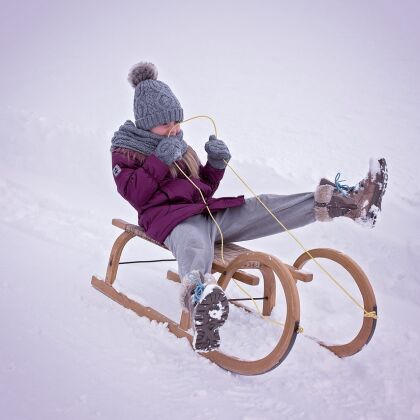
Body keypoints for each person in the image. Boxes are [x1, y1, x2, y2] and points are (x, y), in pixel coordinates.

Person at [110, 62, 388, 353]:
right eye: (166, 124)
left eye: (177, 122)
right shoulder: (126, 150)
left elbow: (199, 187)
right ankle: (202, 304)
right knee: (194, 247)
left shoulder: (177, 144)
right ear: (146, 124)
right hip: (173, 223)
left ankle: (347, 204)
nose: (175, 129)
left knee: (263, 205)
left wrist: (215, 166)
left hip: (207, 213)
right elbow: (134, 194)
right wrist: (158, 161)